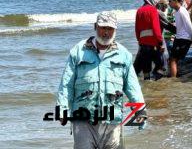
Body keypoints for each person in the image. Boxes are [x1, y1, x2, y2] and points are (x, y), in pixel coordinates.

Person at [56, 12, 146, 149]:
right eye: (103, 28)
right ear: (95, 27)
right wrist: (62, 108)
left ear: (115, 30)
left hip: (112, 120)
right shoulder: (78, 51)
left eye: (110, 29)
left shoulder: (124, 55)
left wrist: (140, 110)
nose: (106, 32)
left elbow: (132, 86)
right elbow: (66, 83)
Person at [133, 0, 164, 80]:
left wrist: (139, 41)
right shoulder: (153, 10)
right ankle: (157, 87)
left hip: (143, 45)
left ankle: (147, 88)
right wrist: (160, 41)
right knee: (160, 66)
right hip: (153, 44)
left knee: (146, 70)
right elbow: (156, 28)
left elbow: (137, 29)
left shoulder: (139, 10)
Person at [167, 0, 192, 77]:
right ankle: (175, 76)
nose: (169, 3)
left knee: (173, 60)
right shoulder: (177, 12)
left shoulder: (182, 11)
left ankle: (173, 80)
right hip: (178, 38)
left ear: (175, 1)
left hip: (184, 39)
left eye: (170, 1)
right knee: (173, 59)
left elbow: (188, 25)